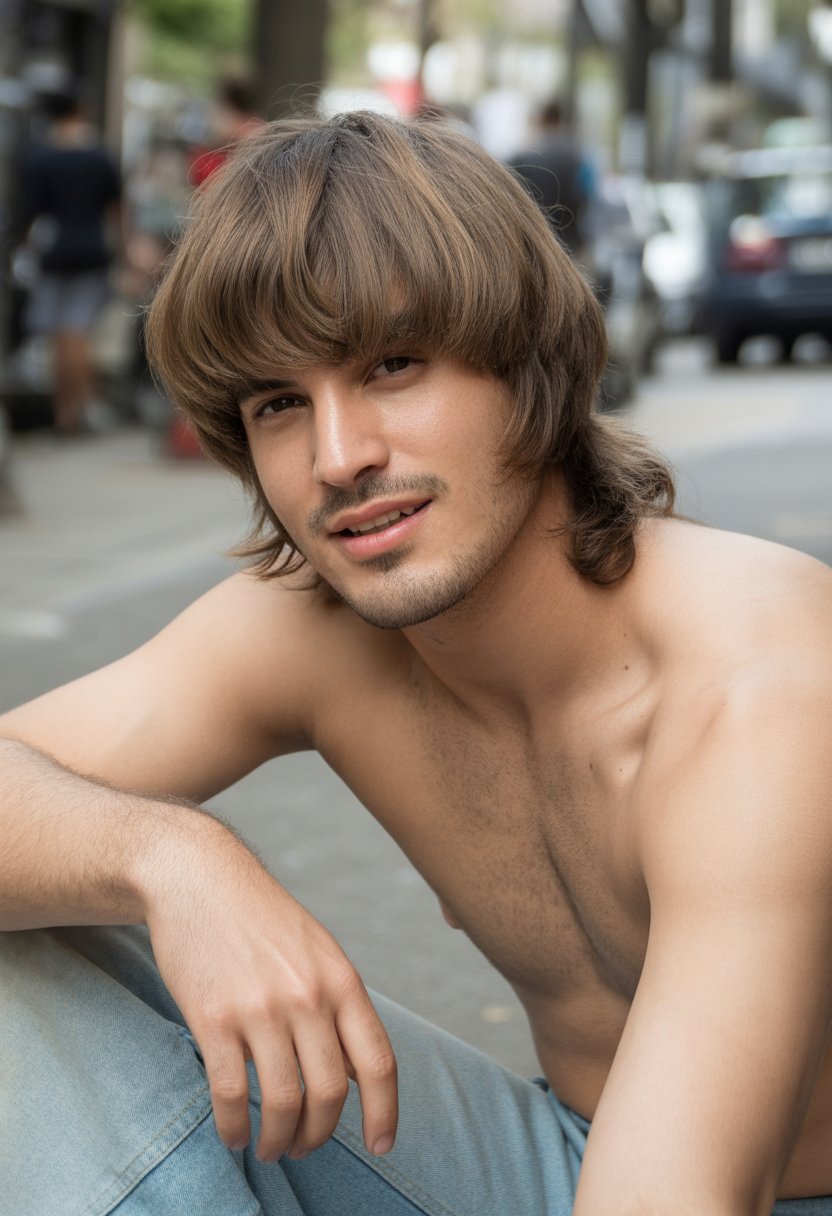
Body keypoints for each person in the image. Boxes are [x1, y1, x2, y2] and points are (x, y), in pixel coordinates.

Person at [1, 111, 831, 1216]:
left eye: (393, 365)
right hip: (562, 1155)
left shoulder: (760, 683)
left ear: (526, 364)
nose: (340, 458)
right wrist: (173, 858)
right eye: (279, 403)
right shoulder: (315, 629)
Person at [18, 87, 122, 433]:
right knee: (78, 331)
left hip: (54, 252)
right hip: (92, 250)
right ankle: (81, 407)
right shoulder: (98, 155)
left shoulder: (40, 157)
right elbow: (116, 207)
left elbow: (30, 211)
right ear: (80, 109)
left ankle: (63, 410)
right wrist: (123, 248)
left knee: (58, 335)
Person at [508, 98, 596, 260]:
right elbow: (588, 192)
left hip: (537, 240)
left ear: (541, 119)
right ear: (559, 119)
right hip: (572, 240)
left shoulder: (526, 153)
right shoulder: (579, 153)